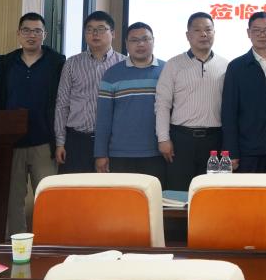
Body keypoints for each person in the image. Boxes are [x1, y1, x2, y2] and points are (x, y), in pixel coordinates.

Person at [0, 12, 66, 236]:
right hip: (12, 144)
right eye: (26, 30)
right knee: (12, 200)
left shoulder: (57, 63)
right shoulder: (7, 63)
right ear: (18, 34)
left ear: (44, 35)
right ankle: (17, 246)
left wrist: (60, 141)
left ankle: (48, 243)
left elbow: (64, 101)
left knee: (48, 197)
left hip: (44, 143)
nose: (31, 35)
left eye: (37, 31)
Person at [155, 12, 229, 190]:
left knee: (210, 192)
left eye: (208, 30)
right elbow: (162, 104)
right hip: (181, 140)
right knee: (178, 193)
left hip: (214, 140)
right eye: (197, 30)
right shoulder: (173, 64)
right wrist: (163, 138)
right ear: (188, 35)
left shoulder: (226, 65)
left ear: (214, 33)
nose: (204, 34)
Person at [221, 11, 266, 172]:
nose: (262, 34)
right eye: (256, 30)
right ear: (248, 33)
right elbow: (229, 112)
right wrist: (231, 152)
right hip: (247, 151)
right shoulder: (236, 67)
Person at [95, 21, 167, 185]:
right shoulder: (112, 74)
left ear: (153, 41)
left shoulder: (167, 70)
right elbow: (103, 118)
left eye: (145, 39)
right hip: (120, 154)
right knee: (122, 199)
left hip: (157, 153)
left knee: (155, 198)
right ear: (126, 44)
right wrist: (100, 154)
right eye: (134, 40)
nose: (140, 44)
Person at [54, 11, 125, 174]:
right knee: (75, 188)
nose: (95, 34)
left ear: (113, 33)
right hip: (77, 141)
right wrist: (60, 142)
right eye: (90, 29)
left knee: (108, 188)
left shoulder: (123, 64)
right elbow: (62, 104)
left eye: (101, 29)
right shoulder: (72, 63)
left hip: (113, 142)